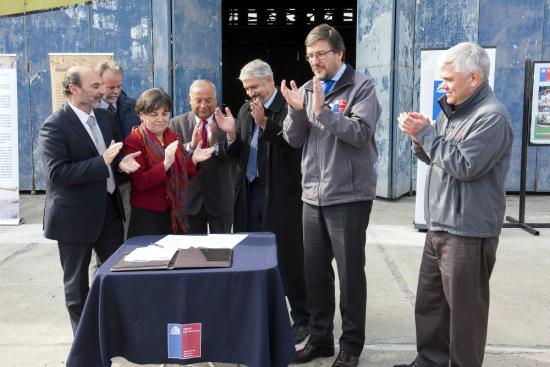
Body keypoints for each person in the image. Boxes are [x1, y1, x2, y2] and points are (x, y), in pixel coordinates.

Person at [395, 42, 513, 367]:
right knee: (431, 306)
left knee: (465, 318)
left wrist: (428, 135)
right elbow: (438, 158)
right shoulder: (454, 110)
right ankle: (429, 361)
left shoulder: (492, 117)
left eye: (449, 79)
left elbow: (464, 165)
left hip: (468, 232)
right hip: (441, 226)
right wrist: (420, 137)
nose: (443, 85)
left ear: (473, 78)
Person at [281, 24, 381, 367]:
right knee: (315, 272)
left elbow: (361, 133)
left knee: (351, 274)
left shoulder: (361, 87)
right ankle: (320, 339)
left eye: (320, 54)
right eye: (309, 56)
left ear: (339, 53)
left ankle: (350, 345)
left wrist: (322, 113)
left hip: (349, 195)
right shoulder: (308, 88)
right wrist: (298, 110)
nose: (314, 61)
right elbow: (293, 139)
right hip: (313, 195)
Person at [38, 65, 141, 335]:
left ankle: (111, 333)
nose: (102, 92)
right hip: (74, 218)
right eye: (95, 86)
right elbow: (57, 174)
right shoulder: (54, 126)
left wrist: (120, 164)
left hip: (108, 210)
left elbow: (111, 156)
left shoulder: (105, 117)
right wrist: (101, 163)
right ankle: (84, 343)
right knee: (77, 287)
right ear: (74, 89)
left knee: (114, 276)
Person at [214, 59, 310, 344]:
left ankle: (302, 318)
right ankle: (259, 313)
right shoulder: (245, 109)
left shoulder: (289, 106)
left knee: (288, 259)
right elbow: (238, 153)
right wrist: (231, 134)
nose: (251, 94)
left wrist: (265, 124)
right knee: (251, 256)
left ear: (269, 80)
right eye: (246, 89)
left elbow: (293, 145)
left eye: (254, 87)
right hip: (249, 194)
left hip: (282, 196)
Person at [123, 88, 214, 236]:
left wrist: (194, 160)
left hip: (174, 211)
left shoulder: (172, 136)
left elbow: (181, 173)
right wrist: (165, 164)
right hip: (149, 216)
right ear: (141, 115)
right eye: (154, 114)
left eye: (165, 114)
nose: (161, 119)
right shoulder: (134, 141)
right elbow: (140, 182)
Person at [169, 80, 233, 234]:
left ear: (216, 100)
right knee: (191, 254)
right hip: (189, 203)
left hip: (220, 201)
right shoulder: (175, 124)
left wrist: (216, 144)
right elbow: (173, 162)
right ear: (190, 100)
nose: (204, 105)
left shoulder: (228, 124)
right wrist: (191, 146)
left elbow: (234, 157)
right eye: (198, 100)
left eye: (208, 100)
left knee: (221, 252)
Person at [96, 60, 140, 139]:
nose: (116, 92)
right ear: (99, 84)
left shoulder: (134, 106)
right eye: (111, 88)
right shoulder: (89, 109)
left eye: (119, 86)